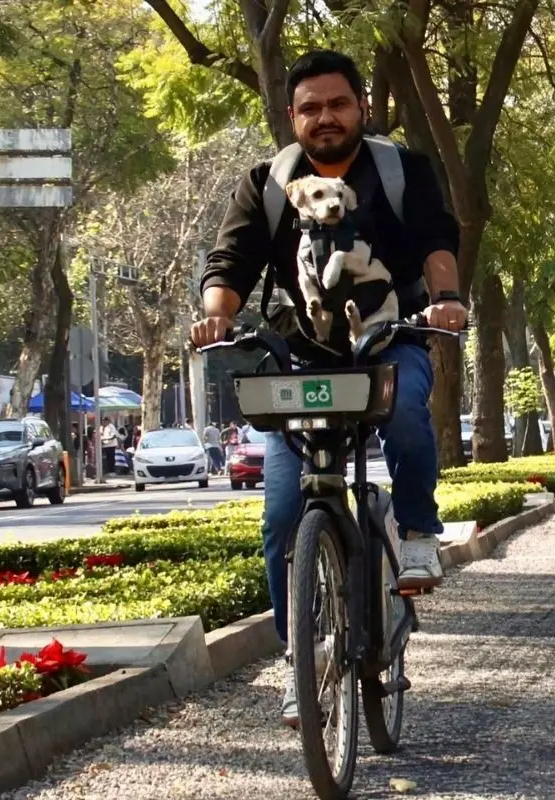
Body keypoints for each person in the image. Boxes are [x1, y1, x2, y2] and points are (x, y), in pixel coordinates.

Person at [189, 49, 467, 726]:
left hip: (387, 338)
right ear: (292, 117)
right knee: (285, 515)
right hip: (303, 357)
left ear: (362, 107)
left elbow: (437, 241)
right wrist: (216, 311)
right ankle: (302, 662)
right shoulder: (268, 183)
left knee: (405, 410)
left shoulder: (402, 171)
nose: (324, 118)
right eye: (310, 108)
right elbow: (230, 258)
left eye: (337, 104)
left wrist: (446, 298)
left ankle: (420, 533)